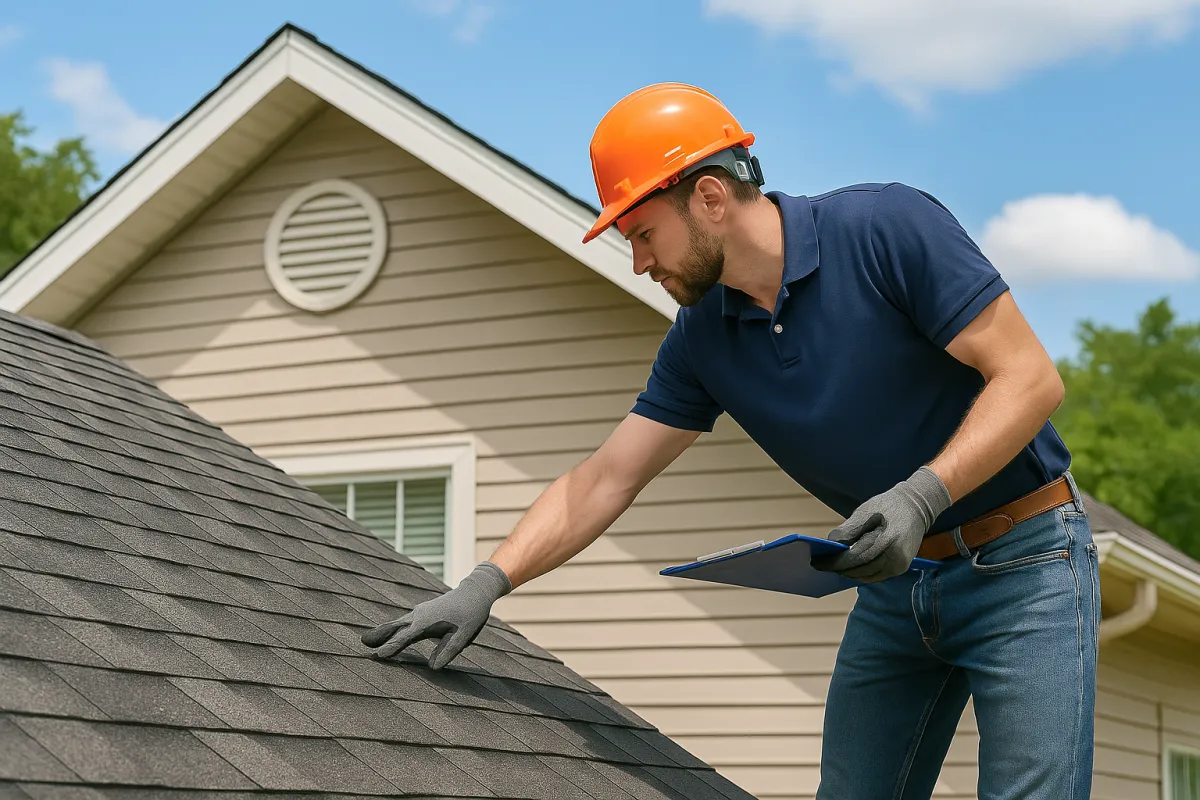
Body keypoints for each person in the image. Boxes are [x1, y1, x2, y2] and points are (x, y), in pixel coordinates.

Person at [360, 83, 1100, 800]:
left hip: (1026, 562)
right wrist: (488, 582)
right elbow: (606, 477)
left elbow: (1031, 380)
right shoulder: (702, 339)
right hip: (897, 585)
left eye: (643, 233)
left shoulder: (886, 229)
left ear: (710, 196)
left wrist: (920, 496)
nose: (639, 262)